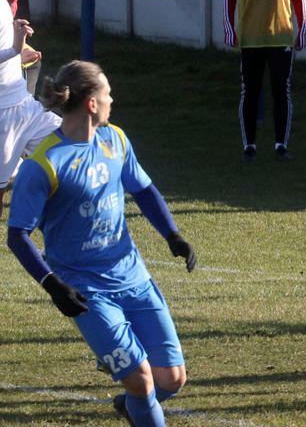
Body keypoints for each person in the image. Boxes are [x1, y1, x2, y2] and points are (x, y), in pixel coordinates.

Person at [6, 60, 197, 427]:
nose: (112, 99)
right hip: (86, 289)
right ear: (92, 103)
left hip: (134, 277)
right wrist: (53, 285)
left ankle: (131, 405)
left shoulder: (116, 140)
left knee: (171, 379)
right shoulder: (44, 164)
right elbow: (17, 235)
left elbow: (143, 189)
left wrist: (172, 235)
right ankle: (136, 397)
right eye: (107, 93)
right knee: (141, 380)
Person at [224, 0, 306, 163]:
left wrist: (303, 28)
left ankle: (280, 145)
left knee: (281, 91)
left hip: (281, 37)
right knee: (249, 91)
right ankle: (249, 145)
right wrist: (230, 29)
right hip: (250, 37)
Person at [0, 0, 59, 223]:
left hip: (25, 105)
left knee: (76, 141)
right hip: (2, 116)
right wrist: (14, 49)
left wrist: (17, 46)